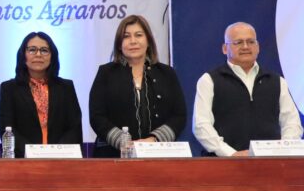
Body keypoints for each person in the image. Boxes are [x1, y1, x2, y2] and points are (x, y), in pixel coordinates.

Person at [193, 22, 302, 156]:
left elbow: (292, 123)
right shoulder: (209, 80)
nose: (245, 47)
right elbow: (201, 125)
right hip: (224, 163)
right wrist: (230, 154)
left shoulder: (276, 81)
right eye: (238, 42)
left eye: (251, 42)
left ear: (258, 47)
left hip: (270, 163)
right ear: (225, 49)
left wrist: (283, 150)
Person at [89, 15, 186, 157]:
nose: (133, 41)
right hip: (113, 155)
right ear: (119, 44)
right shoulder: (105, 73)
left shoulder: (167, 73)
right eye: (126, 36)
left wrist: (153, 140)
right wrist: (124, 142)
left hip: (158, 154)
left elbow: (179, 115)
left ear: (148, 41)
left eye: (139, 35)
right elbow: (97, 116)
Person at [0, 31, 82, 157]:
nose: (38, 54)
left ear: (52, 56)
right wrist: (34, 153)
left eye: (44, 50)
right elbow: (6, 127)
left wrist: (55, 153)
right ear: (23, 55)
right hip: (23, 160)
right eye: (32, 50)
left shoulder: (66, 87)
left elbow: (74, 128)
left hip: (61, 159)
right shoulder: (9, 88)